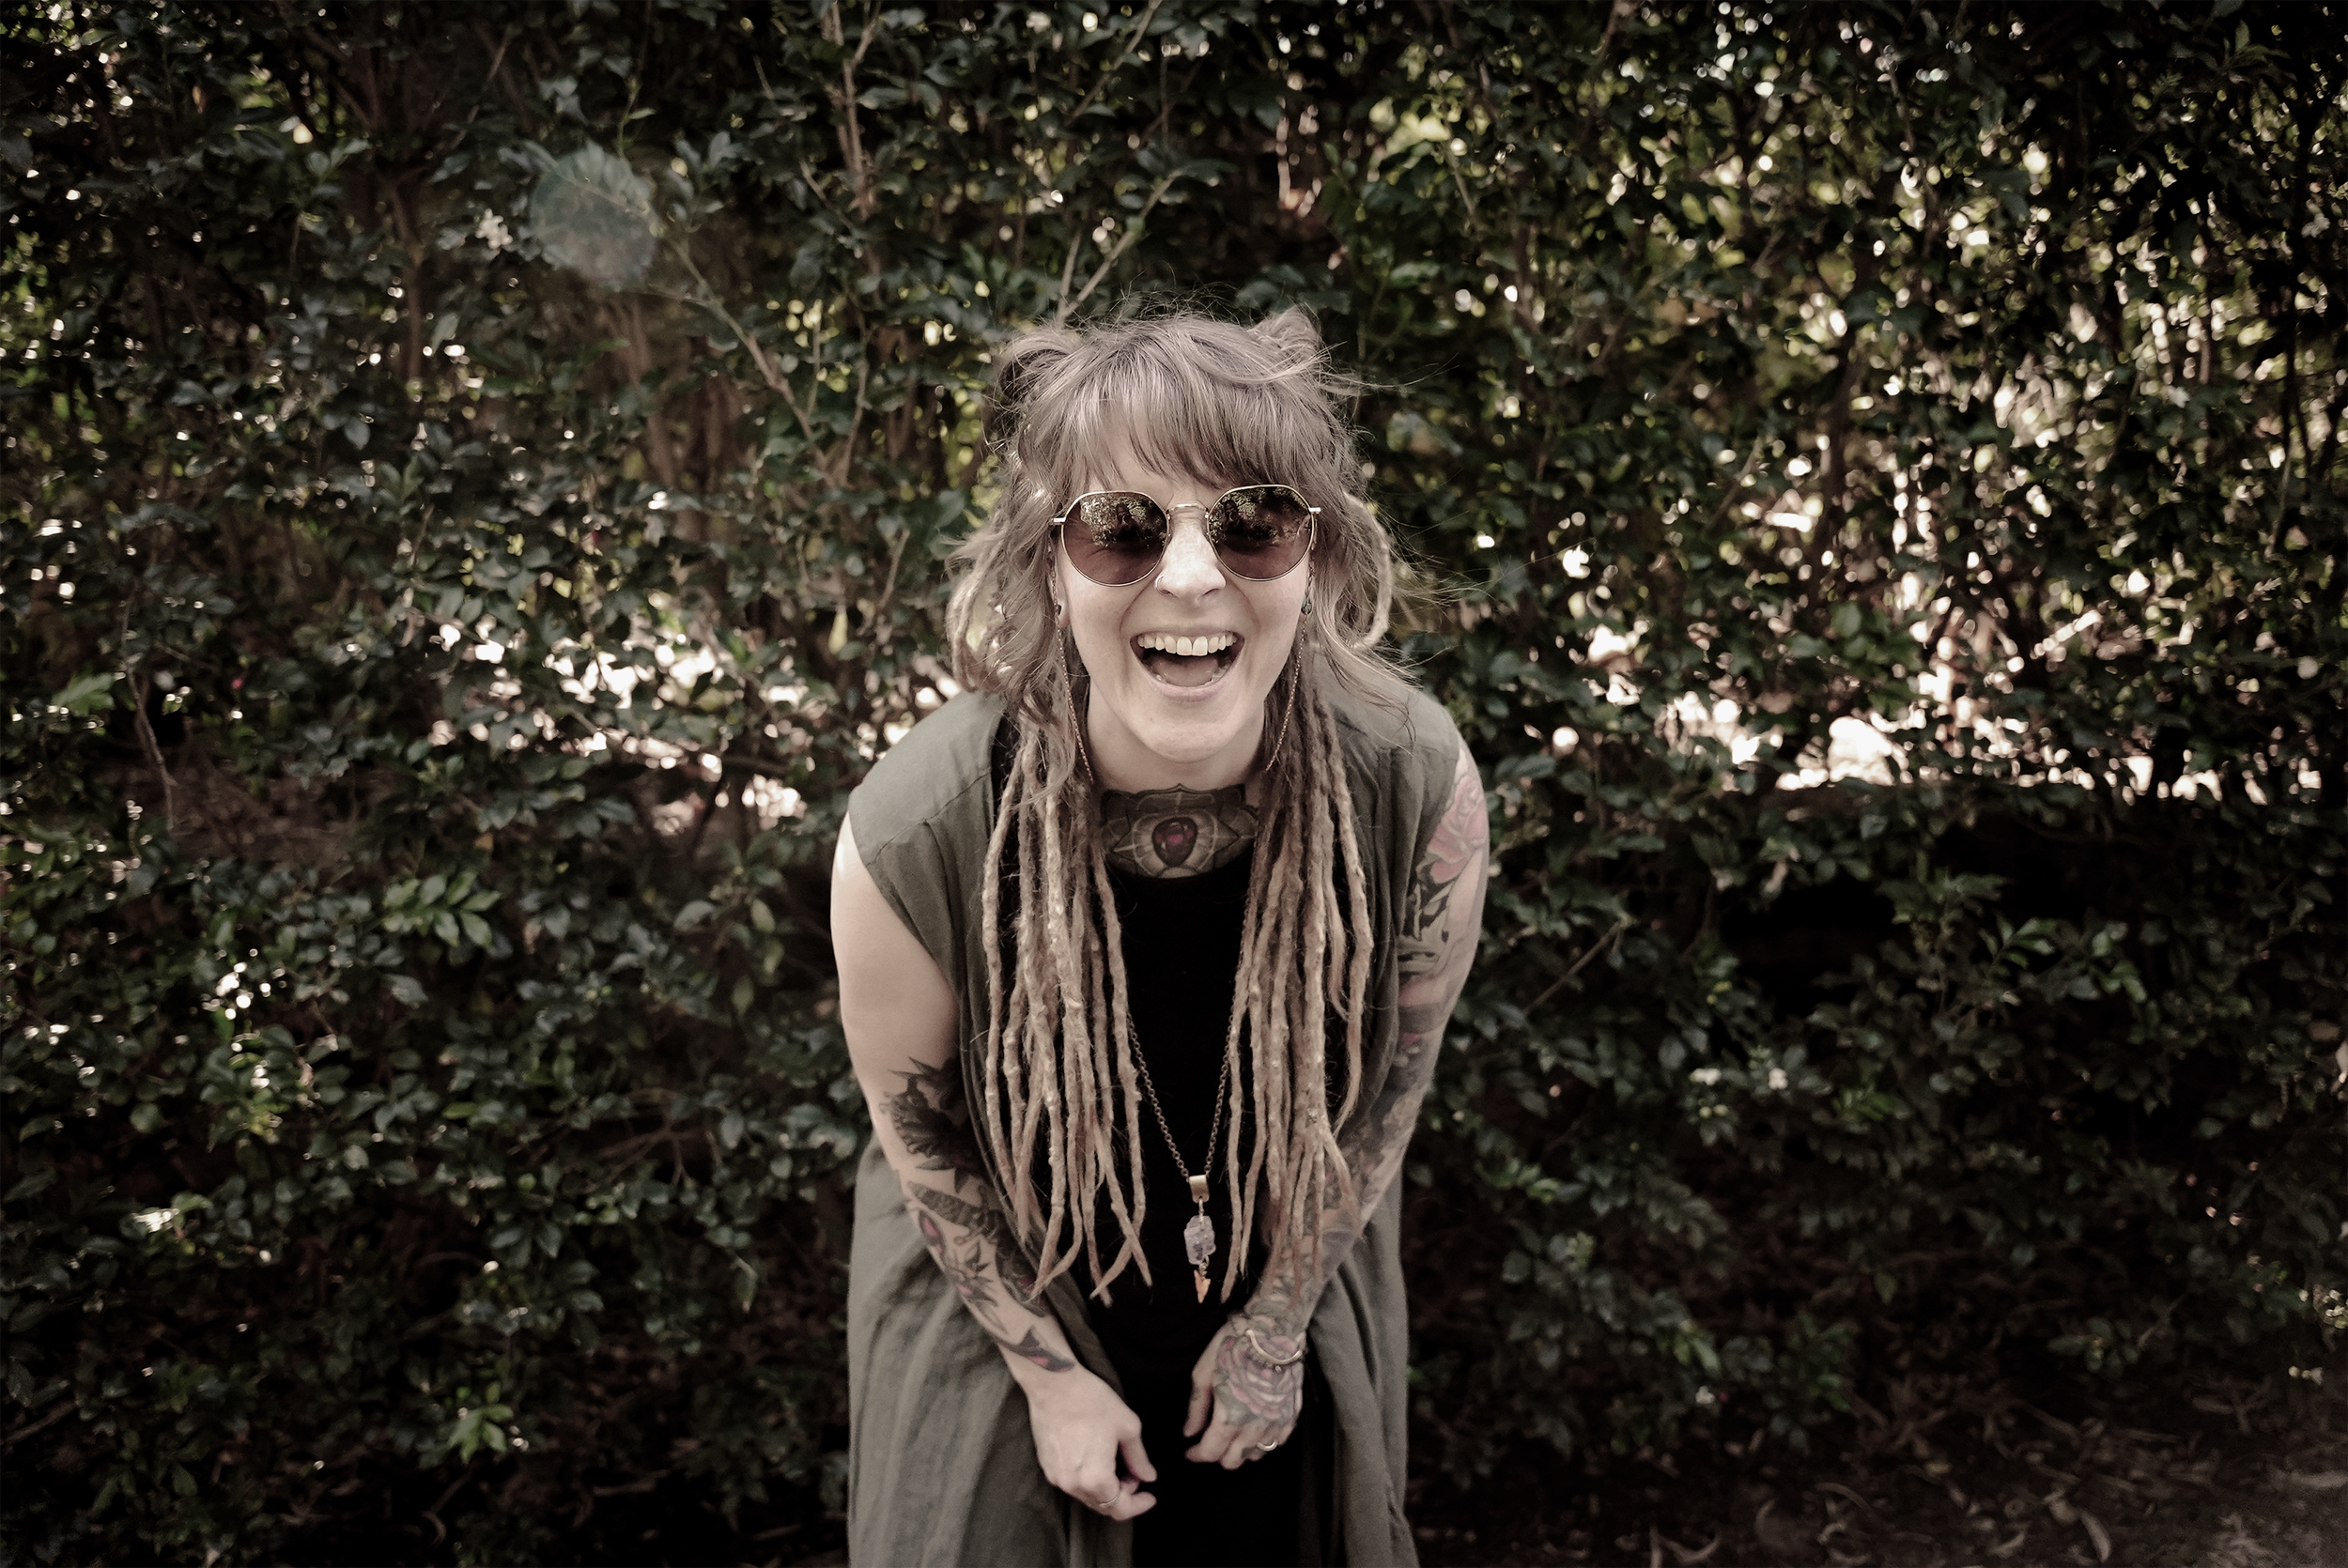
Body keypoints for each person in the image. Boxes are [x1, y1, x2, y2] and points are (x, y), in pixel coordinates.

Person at [831, 309, 1486, 1568]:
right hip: (1005, 1284)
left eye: (1252, 522)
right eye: (1123, 527)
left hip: (1293, 1256)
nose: (1191, 576)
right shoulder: (913, 831)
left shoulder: (1415, 787)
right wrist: (1050, 1377)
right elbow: (923, 1144)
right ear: (1049, 563)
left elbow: (1390, 1095)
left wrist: (1279, 1320)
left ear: (1317, 554)